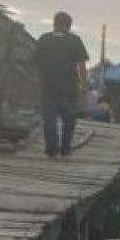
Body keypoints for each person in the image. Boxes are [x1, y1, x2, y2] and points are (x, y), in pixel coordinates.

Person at [33, 11, 89, 157]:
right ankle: (65, 148)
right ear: (69, 26)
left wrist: (38, 81)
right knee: (69, 120)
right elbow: (81, 65)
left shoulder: (44, 39)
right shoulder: (75, 40)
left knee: (49, 120)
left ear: (54, 24)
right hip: (69, 87)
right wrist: (83, 85)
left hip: (48, 87)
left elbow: (36, 63)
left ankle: (51, 149)